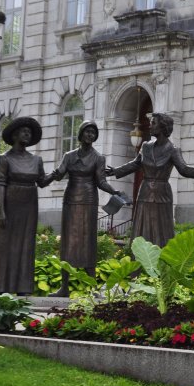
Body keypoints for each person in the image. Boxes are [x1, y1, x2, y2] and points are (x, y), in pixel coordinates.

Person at [106, 113, 194, 247]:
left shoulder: (173, 150)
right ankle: (140, 256)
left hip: (162, 193)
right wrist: (116, 171)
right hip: (145, 191)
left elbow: (183, 169)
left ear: (163, 127)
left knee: (162, 227)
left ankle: (162, 255)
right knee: (143, 225)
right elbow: (135, 164)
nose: (150, 126)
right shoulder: (146, 146)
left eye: (153, 123)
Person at [47, 121, 127, 295]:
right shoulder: (69, 156)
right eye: (87, 131)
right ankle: (64, 287)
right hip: (70, 200)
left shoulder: (98, 158)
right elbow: (60, 174)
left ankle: (92, 287)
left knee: (88, 242)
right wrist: (51, 175)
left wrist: (114, 191)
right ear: (81, 134)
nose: (90, 135)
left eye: (93, 132)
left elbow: (101, 181)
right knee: (68, 242)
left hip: (89, 201)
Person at [0, 117, 53, 295]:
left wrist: (56, 174)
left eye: (29, 133)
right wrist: (1, 211)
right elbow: (0, 184)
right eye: (24, 131)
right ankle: (2, 287)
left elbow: (42, 182)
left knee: (26, 245)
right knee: (6, 245)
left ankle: (23, 288)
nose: (27, 134)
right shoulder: (4, 159)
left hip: (29, 205)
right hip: (10, 204)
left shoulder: (36, 160)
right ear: (15, 135)